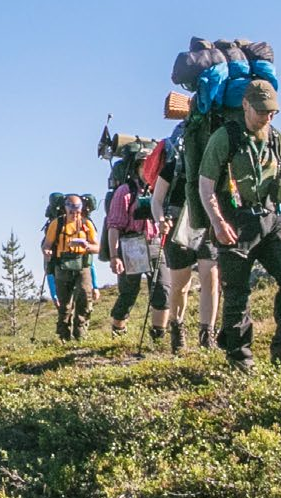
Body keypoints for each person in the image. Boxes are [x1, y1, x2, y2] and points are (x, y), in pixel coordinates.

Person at [197, 78, 281, 373]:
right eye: (262, 110)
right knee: (237, 290)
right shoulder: (225, 137)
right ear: (246, 105)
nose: (267, 117)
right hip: (234, 220)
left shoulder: (279, 140)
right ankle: (239, 358)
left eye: (272, 112)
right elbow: (205, 185)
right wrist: (218, 222)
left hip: (270, 218)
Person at [157, 126, 221, 352]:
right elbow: (157, 200)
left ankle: (207, 334)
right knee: (180, 286)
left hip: (206, 222)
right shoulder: (173, 167)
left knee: (210, 279)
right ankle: (177, 326)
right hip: (177, 226)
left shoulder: (214, 164)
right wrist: (160, 219)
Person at [105, 169, 167, 343]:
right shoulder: (124, 191)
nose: (151, 167)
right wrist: (114, 256)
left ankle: (158, 337)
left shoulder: (160, 188)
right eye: (144, 164)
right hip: (131, 243)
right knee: (129, 292)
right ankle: (118, 333)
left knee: (162, 288)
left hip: (155, 242)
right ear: (136, 168)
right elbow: (114, 225)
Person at [42, 195, 98, 341]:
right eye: (71, 211)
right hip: (62, 265)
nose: (74, 214)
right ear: (66, 208)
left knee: (85, 299)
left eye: (77, 211)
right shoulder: (57, 224)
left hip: (82, 265)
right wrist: (47, 251)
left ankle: (81, 334)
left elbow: (97, 247)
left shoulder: (87, 224)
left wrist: (87, 246)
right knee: (65, 304)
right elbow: (47, 245)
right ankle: (63, 336)